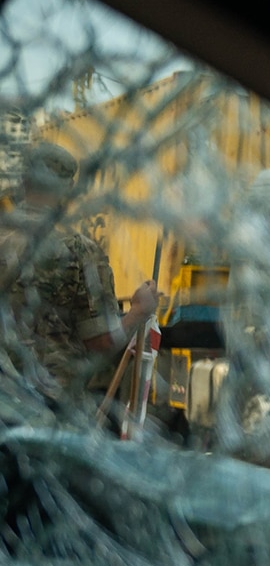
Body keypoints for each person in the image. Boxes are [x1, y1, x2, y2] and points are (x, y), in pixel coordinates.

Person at [0, 142, 156, 409]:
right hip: (47, 408)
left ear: (23, 182)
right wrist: (139, 310)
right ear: (69, 190)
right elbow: (102, 342)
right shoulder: (80, 251)